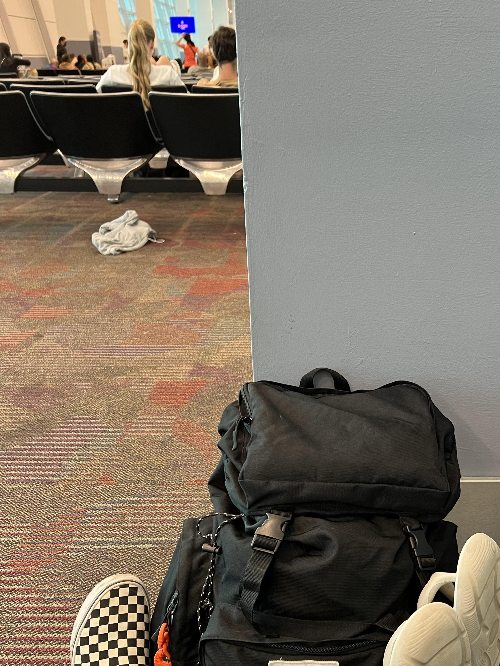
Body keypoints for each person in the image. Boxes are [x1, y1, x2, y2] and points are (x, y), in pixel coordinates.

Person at [96, 19, 183, 108]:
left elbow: (94, 101)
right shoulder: (168, 75)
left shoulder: (112, 74)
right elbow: (186, 105)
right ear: (152, 44)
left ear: (128, 44)